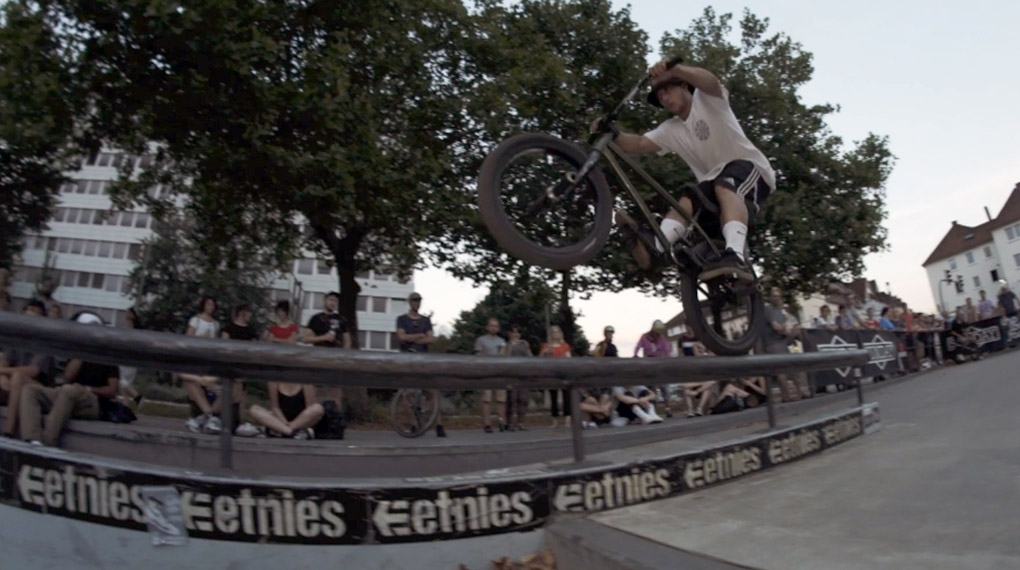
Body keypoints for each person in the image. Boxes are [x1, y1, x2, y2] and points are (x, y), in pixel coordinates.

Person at [606, 57, 775, 283]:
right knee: (687, 199)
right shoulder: (671, 129)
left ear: (684, 85)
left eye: (668, 89)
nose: (664, 98)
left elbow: (711, 81)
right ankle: (657, 247)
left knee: (724, 183)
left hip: (750, 169)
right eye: (660, 95)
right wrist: (612, 134)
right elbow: (638, 144)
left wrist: (675, 69)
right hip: (715, 183)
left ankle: (735, 256)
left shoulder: (708, 100)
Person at [20, 312, 119, 447]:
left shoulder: (108, 357)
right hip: (68, 396)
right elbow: (68, 377)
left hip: (93, 402)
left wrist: (88, 389)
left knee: (70, 390)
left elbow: (112, 390)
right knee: (30, 390)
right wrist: (82, 352)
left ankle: (48, 441)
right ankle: (32, 439)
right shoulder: (76, 353)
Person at [1, 300, 54, 437]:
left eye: (37, 312)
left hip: (39, 388)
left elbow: (33, 371)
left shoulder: (44, 342)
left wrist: (3, 373)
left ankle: (9, 431)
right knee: (13, 377)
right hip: (13, 384)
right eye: (30, 309)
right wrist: (2, 377)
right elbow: (4, 363)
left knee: (18, 377)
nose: (32, 313)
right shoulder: (17, 339)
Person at [395, 292, 444, 437]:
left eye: (419, 301)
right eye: (415, 301)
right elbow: (401, 337)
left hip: (423, 359)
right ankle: (413, 424)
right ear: (410, 302)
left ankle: (438, 424)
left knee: (432, 391)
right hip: (407, 358)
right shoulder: (402, 319)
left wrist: (411, 339)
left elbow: (430, 339)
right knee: (405, 393)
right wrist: (419, 336)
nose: (417, 303)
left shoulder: (425, 321)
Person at [304, 291, 351, 413]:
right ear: (325, 301)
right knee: (316, 389)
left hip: (336, 359)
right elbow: (306, 339)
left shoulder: (342, 320)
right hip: (318, 358)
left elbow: (347, 341)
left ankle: (336, 421)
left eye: (335, 301)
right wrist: (323, 338)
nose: (332, 303)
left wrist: (344, 356)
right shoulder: (316, 318)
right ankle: (313, 418)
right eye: (330, 300)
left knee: (335, 390)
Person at [248, 382, 324, 440]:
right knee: (254, 409)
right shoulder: (274, 381)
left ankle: (280, 431)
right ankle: (289, 432)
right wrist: (284, 423)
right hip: (281, 419)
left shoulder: (305, 382)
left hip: (301, 420)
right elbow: (275, 407)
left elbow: (310, 407)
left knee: (317, 408)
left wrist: (292, 424)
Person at [474, 317, 507, 433]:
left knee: (501, 399)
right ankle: (487, 423)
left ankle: (502, 421)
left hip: (499, 373)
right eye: (492, 325)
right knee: (486, 399)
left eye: (496, 326)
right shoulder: (481, 340)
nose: (494, 328)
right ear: (487, 327)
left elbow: (505, 356)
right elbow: (478, 356)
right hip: (486, 372)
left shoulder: (502, 341)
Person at [634, 319, 673, 417]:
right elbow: (638, 346)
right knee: (651, 387)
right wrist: (635, 355)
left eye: (659, 333)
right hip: (649, 363)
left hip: (660, 363)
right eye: (656, 333)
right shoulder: (645, 337)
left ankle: (667, 407)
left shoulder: (661, 338)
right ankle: (652, 409)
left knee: (664, 387)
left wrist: (668, 359)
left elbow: (667, 349)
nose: (657, 335)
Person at [540, 325, 572, 428]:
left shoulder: (565, 346)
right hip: (552, 374)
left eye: (557, 332)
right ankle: (555, 420)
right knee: (553, 397)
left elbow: (569, 358)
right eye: (553, 332)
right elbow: (540, 359)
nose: (555, 334)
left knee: (566, 396)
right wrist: (545, 353)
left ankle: (567, 419)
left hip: (563, 373)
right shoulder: (546, 346)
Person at [503, 325, 532, 431]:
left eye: (518, 332)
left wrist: (527, 347)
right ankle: (510, 422)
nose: (516, 335)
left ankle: (521, 422)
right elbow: (504, 358)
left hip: (523, 375)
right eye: (513, 332)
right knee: (512, 399)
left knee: (523, 399)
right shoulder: (506, 345)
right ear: (509, 334)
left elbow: (531, 358)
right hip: (511, 374)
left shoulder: (524, 345)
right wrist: (511, 346)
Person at [118, 307, 143, 406]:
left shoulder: (131, 329)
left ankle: (137, 396)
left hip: (127, 359)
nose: (126, 314)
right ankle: (126, 403)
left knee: (122, 381)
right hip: (132, 360)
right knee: (124, 384)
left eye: (128, 313)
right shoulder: (135, 330)